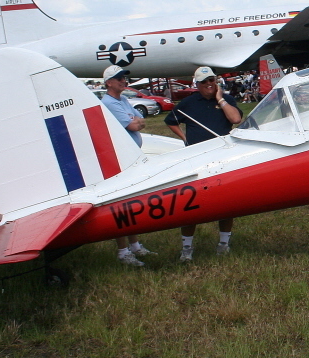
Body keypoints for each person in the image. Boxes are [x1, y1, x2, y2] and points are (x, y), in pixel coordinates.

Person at [165, 67, 243, 261]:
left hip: (223, 158)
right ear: (197, 85)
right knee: (192, 205)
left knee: (227, 204)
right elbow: (171, 121)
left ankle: (224, 243)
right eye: (204, 82)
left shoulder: (226, 100)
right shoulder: (188, 103)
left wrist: (220, 99)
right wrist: (184, 138)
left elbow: (236, 118)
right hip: (197, 160)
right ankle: (187, 248)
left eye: (212, 80)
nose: (209, 84)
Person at [100, 65, 156, 267]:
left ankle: (135, 245)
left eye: (124, 77)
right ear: (109, 83)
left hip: (131, 157)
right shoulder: (109, 102)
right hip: (120, 159)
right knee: (122, 204)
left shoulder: (122, 99)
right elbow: (134, 125)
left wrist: (136, 121)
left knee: (132, 202)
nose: (124, 81)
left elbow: (142, 121)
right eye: (119, 78)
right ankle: (123, 251)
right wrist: (135, 121)